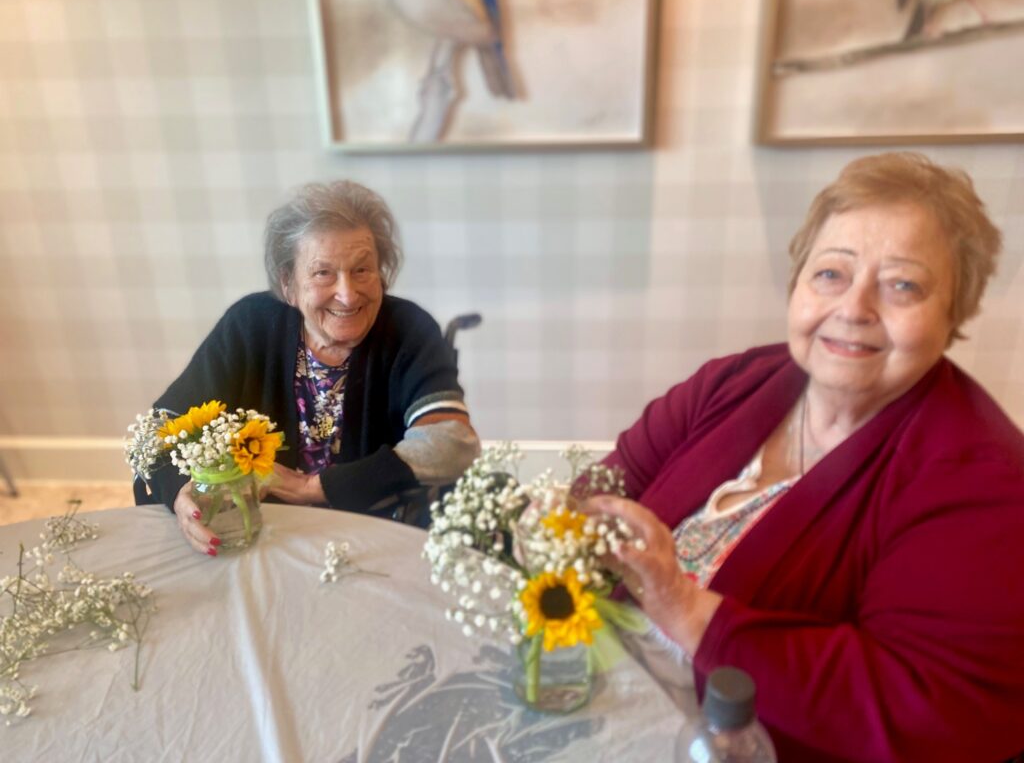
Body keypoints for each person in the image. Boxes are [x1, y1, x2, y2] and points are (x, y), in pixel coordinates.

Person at [584, 153, 1024, 761]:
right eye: (831, 274)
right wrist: (560, 526)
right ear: (797, 285)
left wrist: (681, 607)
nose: (855, 308)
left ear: (954, 314)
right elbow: (609, 485)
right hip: (607, 704)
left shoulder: (983, 480)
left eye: (903, 285)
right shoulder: (734, 382)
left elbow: (930, 709)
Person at [135, 181, 481, 554]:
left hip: (373, 531)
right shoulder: (251, 325)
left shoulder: (409, 330)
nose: (347, 294)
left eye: (362, 269)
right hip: (267, 530)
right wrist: (180, 491)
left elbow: (452, 442)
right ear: (289, 284)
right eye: (323, 273)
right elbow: (158, 428)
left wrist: (311, 487)